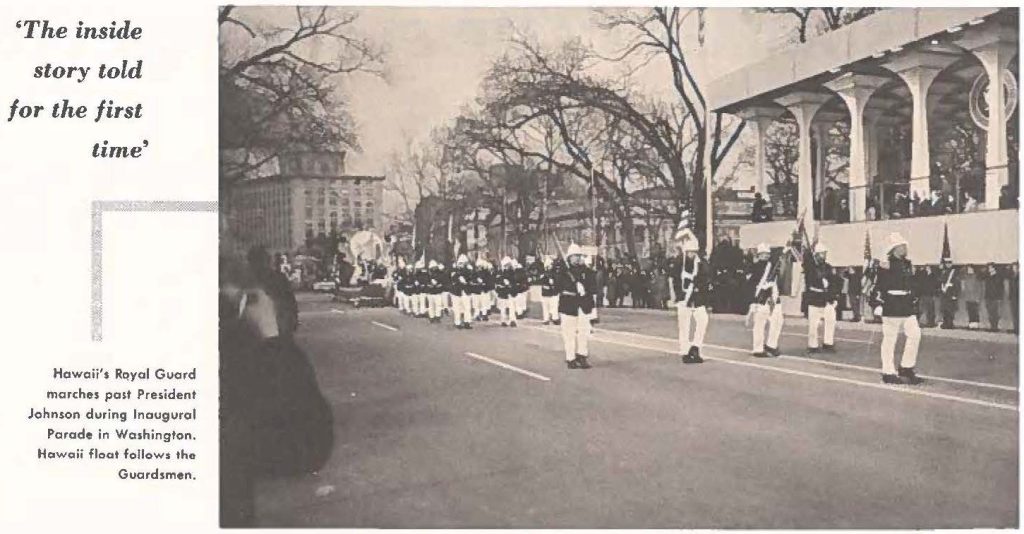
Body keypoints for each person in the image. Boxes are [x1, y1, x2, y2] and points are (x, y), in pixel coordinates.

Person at [871, 233, 923, 384]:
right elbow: (878, 285)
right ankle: (888, 371)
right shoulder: (885, 265)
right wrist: (878, 304)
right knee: (890, 340)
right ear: (894, 249)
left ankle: (906, 367)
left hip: (906, 305)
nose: (905, 248)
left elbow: (912, 284)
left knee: (915, 334)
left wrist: (914, 297)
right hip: (892, 304)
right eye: (902, 246)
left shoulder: (908, 264)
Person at [670, 229, 710, 364]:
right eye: (689, 252)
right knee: (684, 326)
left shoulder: (701, 264)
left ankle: (696, 347)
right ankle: (685, 351)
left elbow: (705, 280)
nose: (692, 254)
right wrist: (676, 297)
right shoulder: (678, 263)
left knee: (703, 320)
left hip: (697, 298)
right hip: (683, 298)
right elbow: (674, 280)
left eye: (694, 252)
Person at [558, 243, 596, 369]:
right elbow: (559, 287)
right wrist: (573, 287)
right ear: (569, 258)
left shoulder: (587, 271)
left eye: (578, 256)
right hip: (569, 306)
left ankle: (582, 355)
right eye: (574, 256)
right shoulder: (563, 272)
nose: (577, 258)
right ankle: (570, 358)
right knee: (569, 333)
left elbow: (593, 287)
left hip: (583, 305)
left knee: (584, 332)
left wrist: (584, 287)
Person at [747, 243, 783, 358]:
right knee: (759, 324)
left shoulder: (772, 266)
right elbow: (751, 284)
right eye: (763, 254)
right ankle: (758, 349)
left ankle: (771, 345)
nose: (765, 256)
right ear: (758, 255)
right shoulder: (754, 267)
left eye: (767, 254)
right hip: (760, 298)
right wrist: (754, 299)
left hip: (772, 298)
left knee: (778, 321)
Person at [803, 243, 837, 354]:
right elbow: (807, 263)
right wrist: (809, 254)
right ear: (816, 255)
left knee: (830, 322)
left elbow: (833, 283)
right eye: (821, 254)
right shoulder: (810, 267)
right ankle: (813, 345)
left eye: (824, 253)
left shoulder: (828, 267)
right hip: (814, 298)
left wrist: (833, 297)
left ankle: (828, 343)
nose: (824, 255)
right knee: (813, 324)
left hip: (827, 298)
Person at [449, 255, 474, 329]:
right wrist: (457, 274)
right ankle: (457, 322)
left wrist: (466, 281)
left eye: (463, 263)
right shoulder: (454, 271)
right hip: (456, 292)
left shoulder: (469, 271)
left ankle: (467, 322)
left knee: (467, 307)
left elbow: (471, 279)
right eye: (460, 263)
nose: (462, 265)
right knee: (457, 308)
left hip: (466, 291)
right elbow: (452, 279)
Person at [495, 257, 519, 327]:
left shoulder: (512, 272)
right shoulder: (500, 272)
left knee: (511, 307)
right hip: (503, 292)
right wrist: (501, 284)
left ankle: (512, 320)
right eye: (506, 264)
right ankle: (503, 320)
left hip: (509, 292)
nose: (508, 266)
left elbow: (514, 281)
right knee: (503, 307)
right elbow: (497, 281)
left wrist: (510, 285)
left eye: (508, 264)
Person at [937, 259, 960, 329]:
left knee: (950, 310)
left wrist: (955, 294)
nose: (948, 265)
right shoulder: (943, 272)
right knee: (944, 309)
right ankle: (945, 323)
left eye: (949, 263)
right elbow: (940, 281)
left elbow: (957, 284)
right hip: (944, 294)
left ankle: (950, 324)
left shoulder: (954, 272)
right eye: (946, 263)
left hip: (951, 293)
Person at [983, 263, 1004, 332]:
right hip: (988, 297)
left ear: (994, 268)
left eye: (991, 268)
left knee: (995, 313)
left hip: (995, 297)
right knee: (990, 312)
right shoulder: (987, 276)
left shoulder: (998, 276)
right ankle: (992, 326)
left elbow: (1001, 288)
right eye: (989, 268)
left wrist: (1000, 297)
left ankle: (995, 326)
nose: (989, 269)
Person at [539, 256, 560, 325]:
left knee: (554, 306)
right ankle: (546, 319)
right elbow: (541, 281)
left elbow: (557, 282)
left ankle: (555, 318)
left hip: (553, 293)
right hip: (546, 293)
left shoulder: (555, 273)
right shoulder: (543, 274)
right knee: (546, 307)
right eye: (548, 265)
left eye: (550, 264)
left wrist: (553, 283)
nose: (550, 266)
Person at [961, 265, 983, 329]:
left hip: (974, 297)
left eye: (970, 269)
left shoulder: (976, 277)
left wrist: (978, 297)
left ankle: (976, 324)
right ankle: (971, 323)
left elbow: (979, 288)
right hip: (968, 297)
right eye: (968, 269)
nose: (969, 270)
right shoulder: (966, 277)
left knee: (975, 311)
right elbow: (964, 287)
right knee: (970, 310)